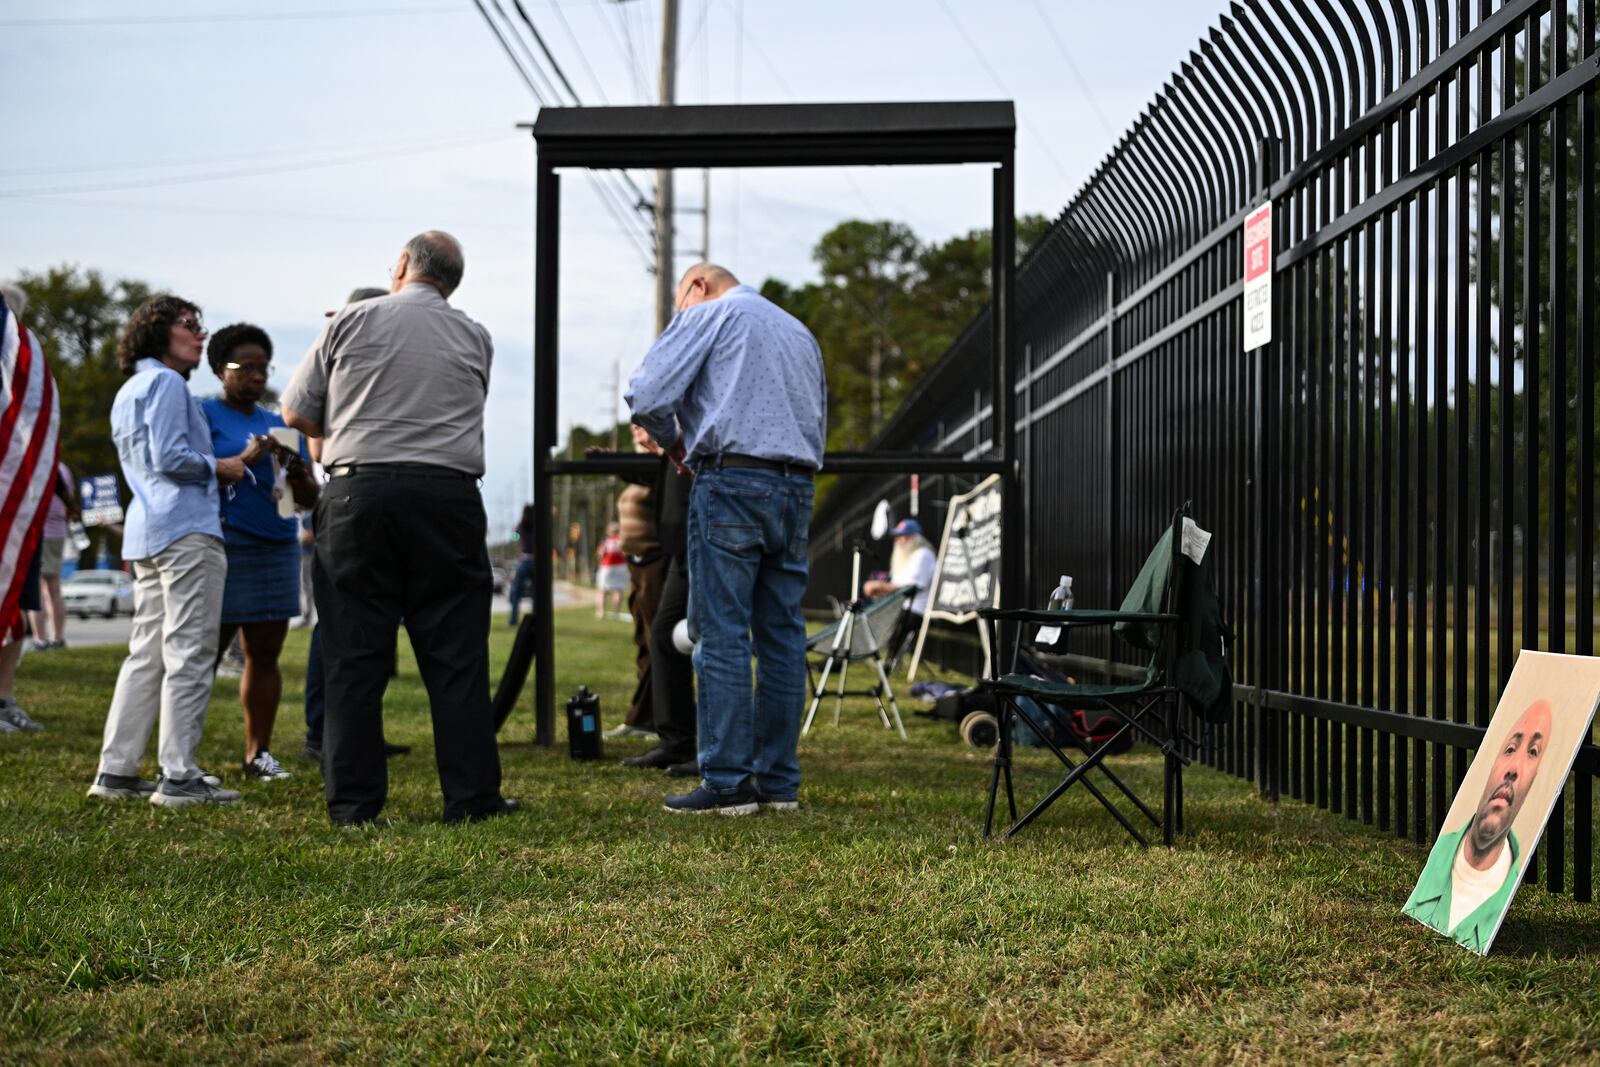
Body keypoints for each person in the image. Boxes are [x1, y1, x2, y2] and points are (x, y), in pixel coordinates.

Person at [282, 231, 517, 826]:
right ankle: (471, 798)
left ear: (405, 265)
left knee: (353, 654)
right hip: (448, 495)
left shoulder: (349, 322)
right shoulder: (476, 335)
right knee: (458, 655)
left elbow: (295, 414)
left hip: (359, 492)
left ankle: (355, 805)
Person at [626, 263, 826, 815]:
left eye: (678, 304)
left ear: (697, 287)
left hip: (731, 479)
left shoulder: (711, 313)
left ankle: (729, 781)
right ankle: (778, 783)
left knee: (721, 633)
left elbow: (646, 394)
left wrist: (674, 444)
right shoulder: (796, 330)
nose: (679, 315)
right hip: (796, 485)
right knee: (783, 636)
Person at [89, 295, 253, 807]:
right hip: (185, 532)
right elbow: (171, 458)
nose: (200, 334)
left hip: (148, 530)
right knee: (190, 651)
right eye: (188, 325)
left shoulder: (130, 387)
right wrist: (222, 466)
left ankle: (116, 771)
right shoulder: (164, 383)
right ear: (159, 333)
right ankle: (178, 775)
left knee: (146, 652)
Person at [202, 323, 320, 782]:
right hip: (225, 543)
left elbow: (304, 500)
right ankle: (180, 751)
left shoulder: (279, 425)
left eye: (262, 367)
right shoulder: (204, 415)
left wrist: (293, 466)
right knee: (205, 653)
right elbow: (192, 472)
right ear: (219, 370)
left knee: (264, 651)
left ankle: (258, 754)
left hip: (276, 546)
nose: (256, 375)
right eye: (244, 367)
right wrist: (247, 457)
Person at [1403, 699, 1553, 953]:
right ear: (1491, 762)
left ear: (1536, 781)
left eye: (1532, 753)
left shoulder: (1508, 882)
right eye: (1510, 749)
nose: (1513, 769)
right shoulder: (1442, 853)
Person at [618, 426, 698, 774]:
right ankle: (677, 741)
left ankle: (719, 751)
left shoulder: (683, 427)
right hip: (677, 543)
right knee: (662, 636)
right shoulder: (667, 449)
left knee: (716, 639)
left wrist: (662, 433)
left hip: (682, 543)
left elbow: (650, 395)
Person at [862, 517, 937, 664]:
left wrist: (878, 586)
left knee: (877, 616)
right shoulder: (908, 558)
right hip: (904, 607)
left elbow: (911, 588)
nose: (898, 540)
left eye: (903, 536)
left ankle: (887, 659)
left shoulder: (923, 555)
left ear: (914, 538)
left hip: (916, 610)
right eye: (898, 536)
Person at [28, 462, 79, 650]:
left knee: (39, 587)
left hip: (38, 531)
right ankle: (58, 638)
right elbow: (70, 503)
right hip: (58, 533)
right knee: (54, 588)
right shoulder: (64, 469)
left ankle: (40, 639)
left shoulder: (39, 461)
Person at [508, 505, 536, 626]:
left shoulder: (521, 526)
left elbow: (515, 537)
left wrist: (518, 536)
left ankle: (513, 619)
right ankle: (536, 618)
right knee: (536, 593)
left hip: (524, 561)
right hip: (535, 562)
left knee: (516, 592)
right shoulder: (537, 526)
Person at [594, 521, 628, 619]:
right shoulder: (621, 541)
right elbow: (625, 554)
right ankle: (616, 613)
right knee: (618, 590)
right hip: (621, 567)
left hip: (607, 567)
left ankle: (601, 612)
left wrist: (600, 560)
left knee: (602, 590)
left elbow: (600, 554)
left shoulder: (605, 541)